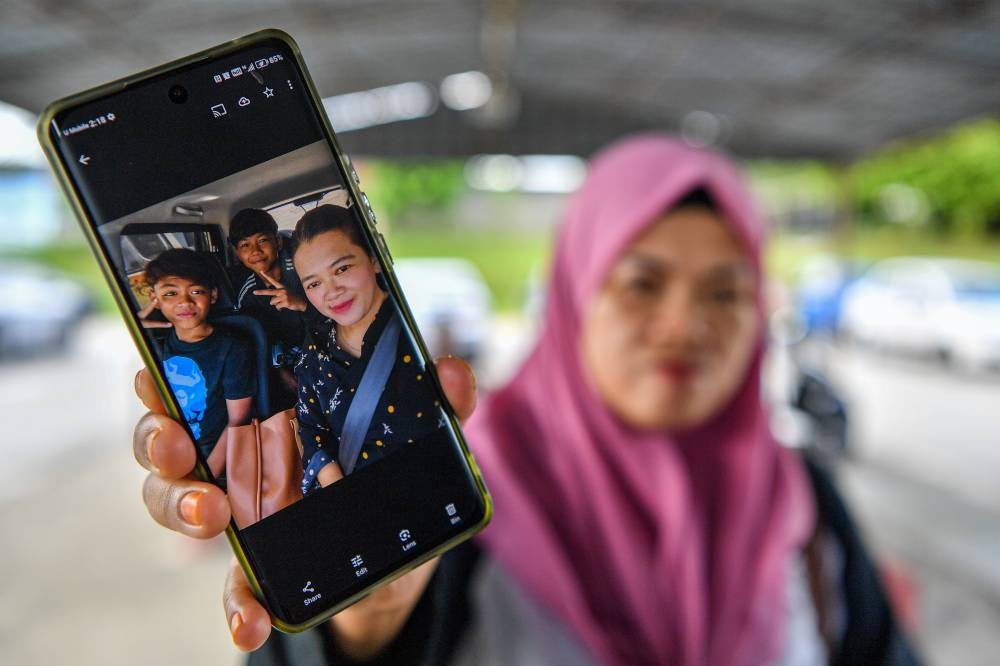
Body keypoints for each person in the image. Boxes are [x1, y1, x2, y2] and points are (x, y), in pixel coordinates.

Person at [131, 136, 917, 665]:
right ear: (574, 296)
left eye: (725, 292)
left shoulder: (801, 504)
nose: (684, 325)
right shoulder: (463, 489)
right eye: (642, 283)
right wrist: (362, 633)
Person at [291, 204, 441, 489]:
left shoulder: (420, 327)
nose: (331, 292)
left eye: (342, 268)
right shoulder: (315, 349)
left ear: (374, 259)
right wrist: (339, 489)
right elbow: (311, 427)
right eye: (313, 284)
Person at [140, 248, 255, 471]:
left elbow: (238, 421)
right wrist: (134, 330)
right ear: (154, 299)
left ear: (213, 295)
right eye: (170, 293)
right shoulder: (154, 342)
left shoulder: (232, 348)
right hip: (173, 449)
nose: (184, 302)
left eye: (196, 291)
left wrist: (207, 473)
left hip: (215, 458)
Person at [228, 208, 308, 409]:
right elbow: (262, 339)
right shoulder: (248, 294)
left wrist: (301, 303)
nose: (255, 251)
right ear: (237, 254)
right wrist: (280, 372)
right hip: (286, 360)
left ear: (278, 242)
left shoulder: (302, 267)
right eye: (245, 245)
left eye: (262, 240)